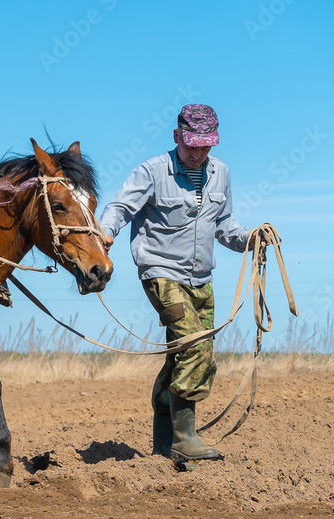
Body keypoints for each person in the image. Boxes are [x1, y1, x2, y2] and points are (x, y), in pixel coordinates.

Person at [99, 104, 267, 463]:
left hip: (202, 278)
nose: (198, 154)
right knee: (195, 348)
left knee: (182, 354)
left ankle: (164, 444)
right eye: (192, 145)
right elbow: (120, 207)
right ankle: (185, 439)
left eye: (205, 147)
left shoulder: (221, 173)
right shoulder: (152, 171)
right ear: (177, 136)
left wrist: (250, 239)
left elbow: (224, 223)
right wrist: (104, 232)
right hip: (161, 272)